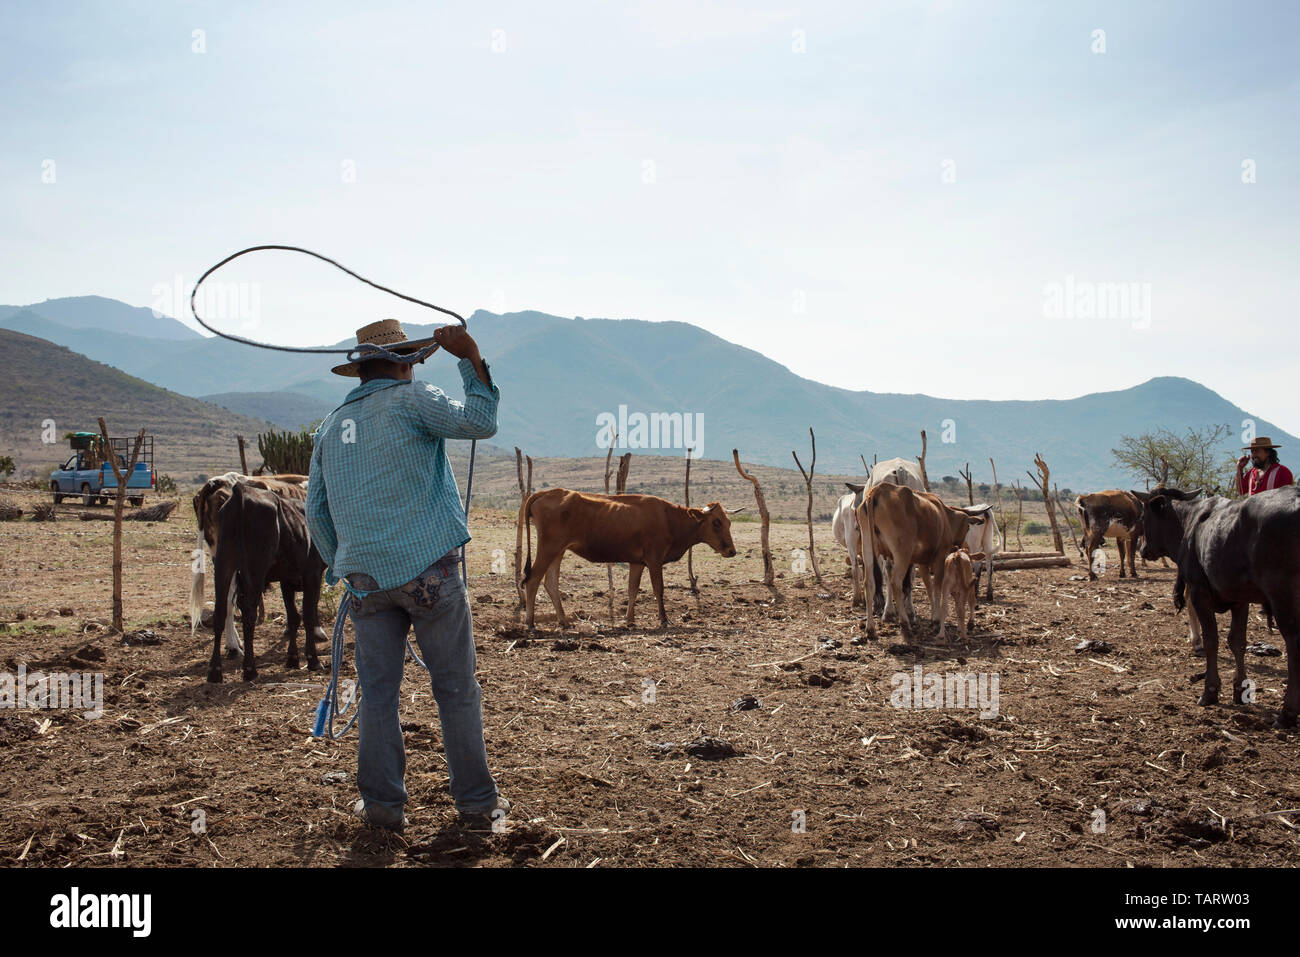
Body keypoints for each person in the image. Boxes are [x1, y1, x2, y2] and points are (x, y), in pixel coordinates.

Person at [306, 318, 506, 832]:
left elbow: (317, 514)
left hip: (366, 584)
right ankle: (477, 803)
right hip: (430, 575)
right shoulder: (413, 402)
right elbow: (481, 422)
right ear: (403, 362)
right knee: (456, 689)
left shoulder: (330, 426)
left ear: (359, 371)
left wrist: (345, 568)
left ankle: (382, 807)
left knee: (377, 694)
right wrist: (470, 355)